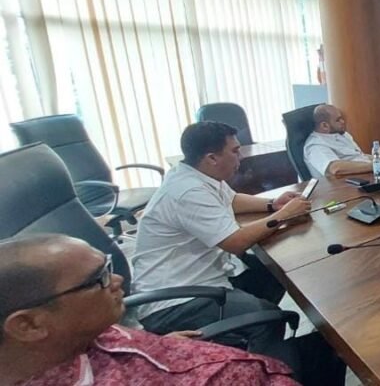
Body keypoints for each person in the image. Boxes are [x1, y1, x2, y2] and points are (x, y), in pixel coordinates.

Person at [0, 234, 305, 385]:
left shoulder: (74, 338)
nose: (118, 280)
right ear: (29, 325)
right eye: (98, 279)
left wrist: (156, 347)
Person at [132, 122, 313, 353]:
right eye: (235, 151)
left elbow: (231, 199)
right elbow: (235, 242)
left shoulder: (193, 174)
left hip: (199, 281)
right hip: (175, 301)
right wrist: (283, 215)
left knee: (273, 272)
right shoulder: (189, 191)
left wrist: (272, 204)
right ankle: (254, 363)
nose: (240, 157)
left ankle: (239, 339)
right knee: (266, 319)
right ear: (212, 158)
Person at [304, 104, 380, 177]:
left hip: (367, 175)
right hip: (345, 186)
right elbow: (336, 168)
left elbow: (361, 156)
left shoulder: (342, 134)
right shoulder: (315, 145)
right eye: (338, 120)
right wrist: (379, 166)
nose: (343, 122)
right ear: (324, 125)